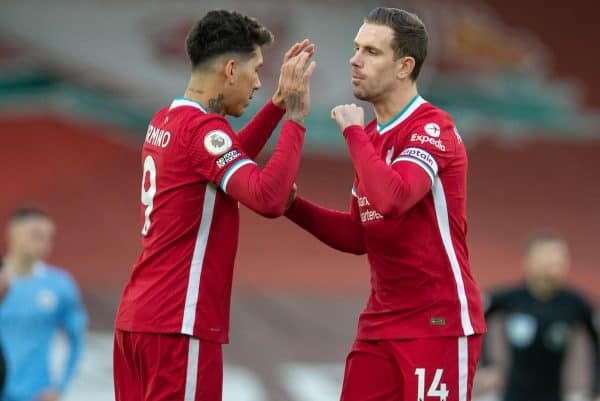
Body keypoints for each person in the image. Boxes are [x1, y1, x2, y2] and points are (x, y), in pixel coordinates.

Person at [113, 9, 316, 401]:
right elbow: (269, 198)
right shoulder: (203, 130)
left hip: (137, 323)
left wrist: (275, 105)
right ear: (229, 70)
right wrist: (295, 116)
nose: (259, 82)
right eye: (256, 70)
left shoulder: (168, 119)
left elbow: (226, 159)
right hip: (179, 324)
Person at [284, 7, 486, 401]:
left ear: (403, 66)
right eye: (356, 48)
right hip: (380, 324)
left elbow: (393, 199)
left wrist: (354, 135)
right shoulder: (371, 136)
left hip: (437, 323)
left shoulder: (432, 127)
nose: (354, 60)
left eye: (371, 52)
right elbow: (362, 234)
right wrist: (295, 207)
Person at [478, 233, 599, 401]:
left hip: (554, 395)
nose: (551, 265)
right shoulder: (511, 298)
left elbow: (596, 339)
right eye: (545, 259)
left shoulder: (575, 304)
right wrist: (487, 363)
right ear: (528, 261)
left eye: (558, 260)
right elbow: (476, 319)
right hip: (513, 395)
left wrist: (595, 386)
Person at [0, 208, 87, 401]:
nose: (44, 243)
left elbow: (76, 340)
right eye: (36, 234)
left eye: (49, 237)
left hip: (35, 394)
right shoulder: (2, 281)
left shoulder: (60, 285)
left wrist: (59, 387)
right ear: (12, 233)